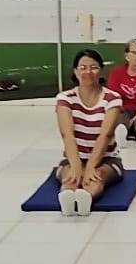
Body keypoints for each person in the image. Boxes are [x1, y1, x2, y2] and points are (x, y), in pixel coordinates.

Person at [52, 48, 124, 216]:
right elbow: (67, 134)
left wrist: (91, 166)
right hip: (73, 157)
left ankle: (86, 199)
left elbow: (105, 135)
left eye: (93, 67)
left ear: (101, 70)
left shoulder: (112, 98)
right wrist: (76, 166)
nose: (88, 72)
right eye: (83, 68)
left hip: (106, 158)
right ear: (75, 71)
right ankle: (68, 200)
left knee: (95, 177)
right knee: (70, 178)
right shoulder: (65, 98)